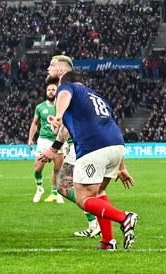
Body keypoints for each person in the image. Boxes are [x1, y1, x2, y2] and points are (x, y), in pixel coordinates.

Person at [39, 70, 138, 251]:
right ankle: (108, 242)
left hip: (93, 146)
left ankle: (124, 218)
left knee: (83, 198)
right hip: (117, 144)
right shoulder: (99, 99)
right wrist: (121, 167)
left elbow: (65, 94)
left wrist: (59, 115)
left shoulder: (68, 88)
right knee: (99, 192)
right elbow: (111, 125)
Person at [42, 55, 100, 238]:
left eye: (51, 65)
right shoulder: (81, 89)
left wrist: (53, 148)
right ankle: (98, 227)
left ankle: (113, 219)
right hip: (92, 142)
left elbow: (66, 124)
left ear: (61, 71)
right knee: (91, 190)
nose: (47, 69)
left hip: (83, 144)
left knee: (65, 185)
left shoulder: (66, 90)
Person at [28, 83, 65, 204]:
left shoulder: (61, 107)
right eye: (49, 89)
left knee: (58, 169)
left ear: (57, 92)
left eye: (53, 90)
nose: (50, 91)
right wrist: (30, 138)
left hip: (58, 140)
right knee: (38, 169)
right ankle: (39, 188)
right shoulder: (40, 107)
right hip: (43, 140)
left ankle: (58, 194)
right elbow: (34, 123)